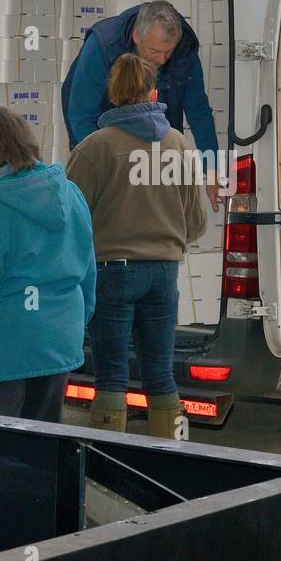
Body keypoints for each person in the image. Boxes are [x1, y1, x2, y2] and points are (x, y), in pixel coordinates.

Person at [64, 53, 207, 436]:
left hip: (112, 273)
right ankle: (171, 455)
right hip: (163, 272)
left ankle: (109, 458)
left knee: (111, 376)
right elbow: (196, 221)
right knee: (161, 376)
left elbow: (70, 219)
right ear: (154, 93)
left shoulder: (94, 149)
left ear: (113, 95)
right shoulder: (179, 145)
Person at [0, 105, 96, 422]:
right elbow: (88, 275)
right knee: (41, 449)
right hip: (58, 342)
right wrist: (74, 324)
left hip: (1, 352)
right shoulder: (72, 195)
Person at [61, 0, 222, 212]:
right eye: (155, 51)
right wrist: (107, 166)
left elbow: (199, 112)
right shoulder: (103, 45)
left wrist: (212, 170)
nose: (163, 59)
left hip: (158, 126)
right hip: (100, 125)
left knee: (157, 195)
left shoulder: (184, 51)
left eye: (168, 52)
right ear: (137, 37)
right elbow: (81, 115)